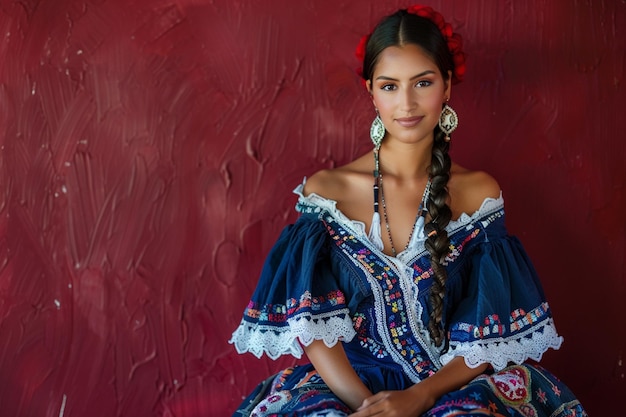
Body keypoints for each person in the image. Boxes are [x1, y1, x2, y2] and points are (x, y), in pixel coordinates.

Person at [229, 5, 587, 416]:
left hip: (454, 387)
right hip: (350, 389)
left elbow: (487, 329)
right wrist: (369, 407)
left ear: (447, 85)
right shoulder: (328, 192)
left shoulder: (479, 193)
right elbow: (312, 325)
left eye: (422, 82)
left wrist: (420, 396)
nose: (406, 103)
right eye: (389, 86)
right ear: (370, 91)